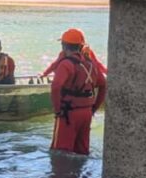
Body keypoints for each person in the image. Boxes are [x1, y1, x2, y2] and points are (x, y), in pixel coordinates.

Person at [50, 28, 106, 156]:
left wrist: (58, 110)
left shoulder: (66, 64)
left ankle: (63, 176)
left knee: (60, 154)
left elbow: (56, 86)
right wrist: (93, 109)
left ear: (63, 46)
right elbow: (103, 86)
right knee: (81, 153)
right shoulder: (91, 64)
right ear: (81, 46)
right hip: (86, 113)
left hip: (68, 113)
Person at [42, 44, 107, 77]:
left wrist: (44, 74)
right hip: (87, 80)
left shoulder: (64, 54)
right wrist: (107, 73)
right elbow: (98, 64)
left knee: (57, 67)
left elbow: (54, 65)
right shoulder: (88, 52)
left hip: (72, 81)